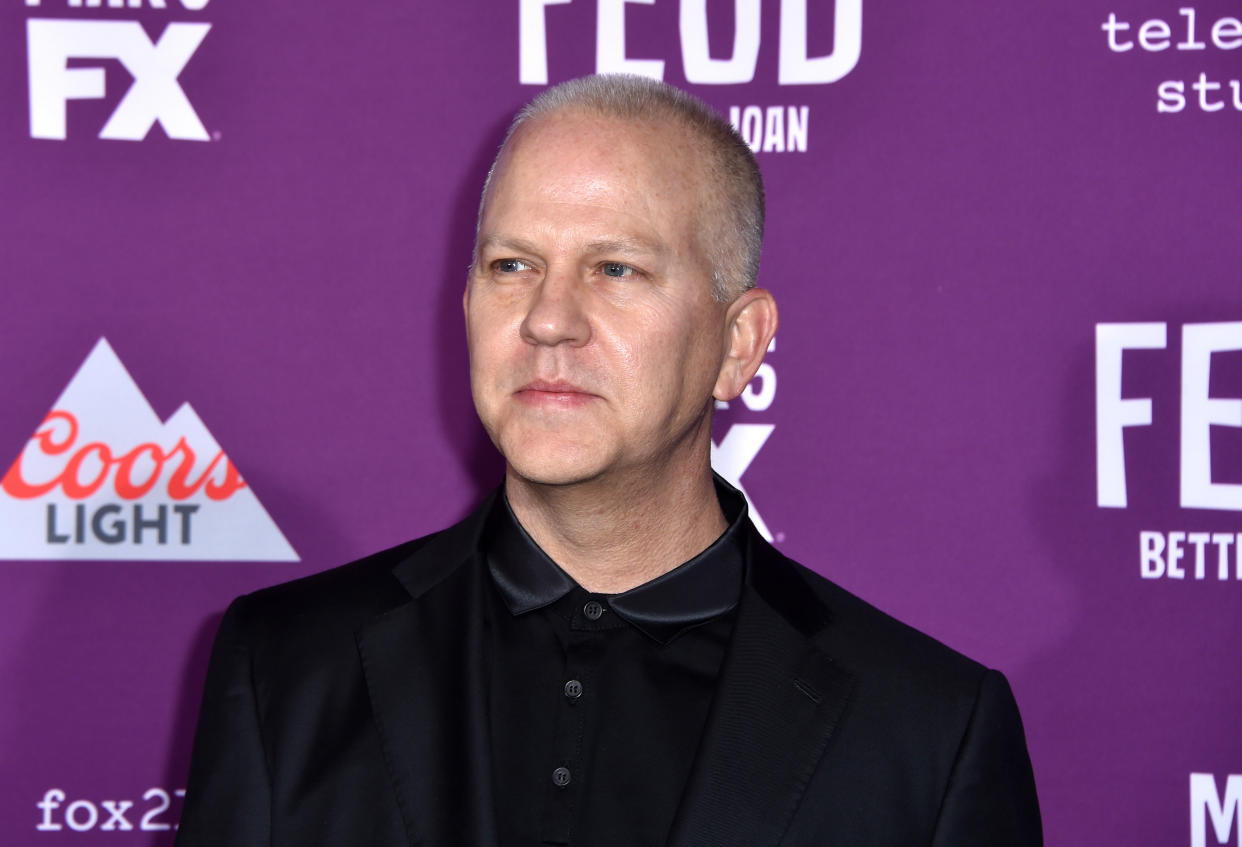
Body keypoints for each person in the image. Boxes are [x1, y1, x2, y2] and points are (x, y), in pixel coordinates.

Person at [175, 74, 1042, 846]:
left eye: (616, 270)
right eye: (513, 265)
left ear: (739, 345)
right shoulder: (285, 667)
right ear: (469, 302)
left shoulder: (927, 734)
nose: (549, 319)